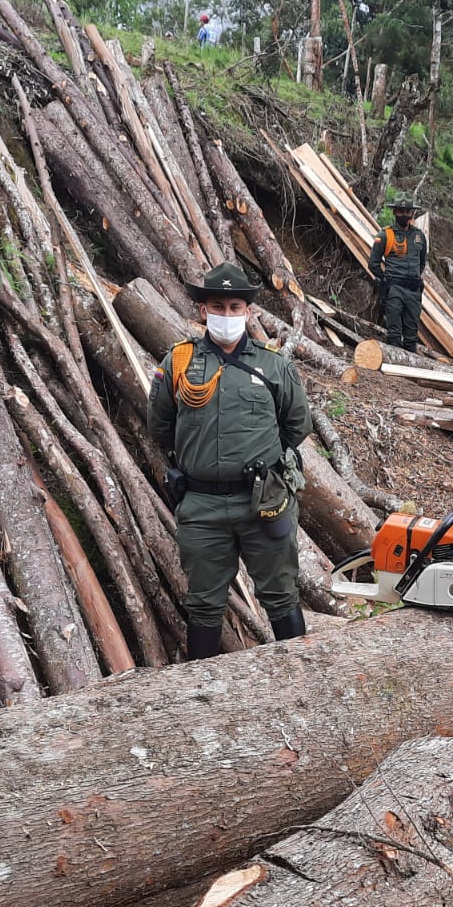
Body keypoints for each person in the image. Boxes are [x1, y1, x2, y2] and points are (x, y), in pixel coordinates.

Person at [148, 262, 312, 661]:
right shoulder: (179, 363)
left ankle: (302, 684)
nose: (226, 314)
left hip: (263, 503)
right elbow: (162, 428)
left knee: (281, 595)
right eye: (217, 306)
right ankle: (204, 693)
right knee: (203, 603)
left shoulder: (273, 365)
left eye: (234, 306)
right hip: (201, 505)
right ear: (203, 310)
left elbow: (297, 426)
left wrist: (261, 462)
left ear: (248, 312)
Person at [367, 200, 428, 352]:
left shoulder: (419, 236)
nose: (404, 214)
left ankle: (410, 372)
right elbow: (373, 263)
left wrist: (413, 278)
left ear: (412, 213)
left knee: (411, 336)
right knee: (394, 333)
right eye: (400, 211)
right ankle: (394, 369)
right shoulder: (385, 235)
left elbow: (421, 263)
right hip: (394, 289)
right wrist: (386, 279)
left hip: (413, 292)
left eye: (407, 211)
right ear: (395, 212)